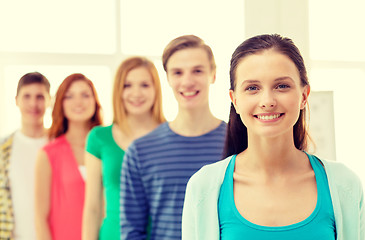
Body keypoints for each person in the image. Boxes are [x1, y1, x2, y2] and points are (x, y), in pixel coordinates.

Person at [182, 34, 364, 240]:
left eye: (282, 86)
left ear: (304, 96)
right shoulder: (203, 188)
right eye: (252, 88)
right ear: (235, 100)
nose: (267, 101)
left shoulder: (345, 184)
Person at [120, 35, 227, 240]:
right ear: (168, 78)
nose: (187, 81)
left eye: (197, 70)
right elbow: (132, 233)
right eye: (178, 72)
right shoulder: (140, 151)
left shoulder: (240, 142)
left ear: (213, 74)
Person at [82, 57, 165, 240]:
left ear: (156, 90)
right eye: (127, 85)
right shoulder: (99, 138)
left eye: (144, 85)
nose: (136, 93)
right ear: (118, 90)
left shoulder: (172, 135)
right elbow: (93, 208)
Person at [34, 73, 102, 240]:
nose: (78, 102)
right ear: (61, 104)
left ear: (95, 101)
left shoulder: (107, 147)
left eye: (85, 95)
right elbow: (40, 218)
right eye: (69, 96)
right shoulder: (48, 154)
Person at [0, 72, 51, 240]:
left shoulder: (58, 144)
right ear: (16, 100)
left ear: (49, 100)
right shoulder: (3, 149)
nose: (33, 104)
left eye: (40, 97)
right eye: (27, 96)